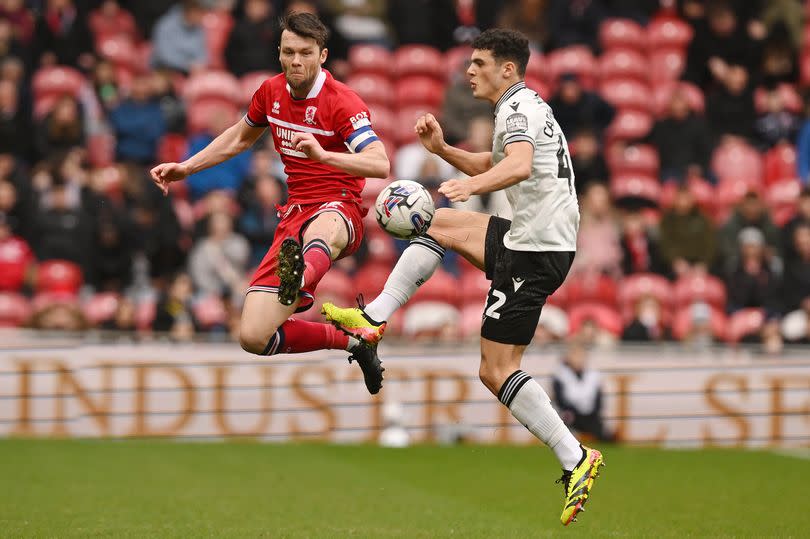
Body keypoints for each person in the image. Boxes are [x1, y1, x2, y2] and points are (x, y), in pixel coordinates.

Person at [321, 29, 603, 525]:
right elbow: (497, 162)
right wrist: (443, 149)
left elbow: (515, 166)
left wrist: (470, 185)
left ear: (507, 69)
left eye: (478, 63)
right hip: (532, 240)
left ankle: (576, 457)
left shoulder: (517, 110)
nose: (469, 71)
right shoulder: (522, 107)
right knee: (439, 221)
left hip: (534, 252)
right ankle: (372, 319)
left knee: (495, 370)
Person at [150, 12, 389, 394]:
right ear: (278, 53)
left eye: (306, 53)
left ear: (323, 55)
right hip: (294, 215)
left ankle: (301, 277)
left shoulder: (342, 102)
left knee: (322, 231)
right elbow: (240, 138)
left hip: (338, 206)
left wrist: (325, 156)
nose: (297, 61)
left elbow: (380, 162)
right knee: (254, 336)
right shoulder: (270, 92)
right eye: (289, 52)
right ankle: (354, 340)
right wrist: (187, 167)